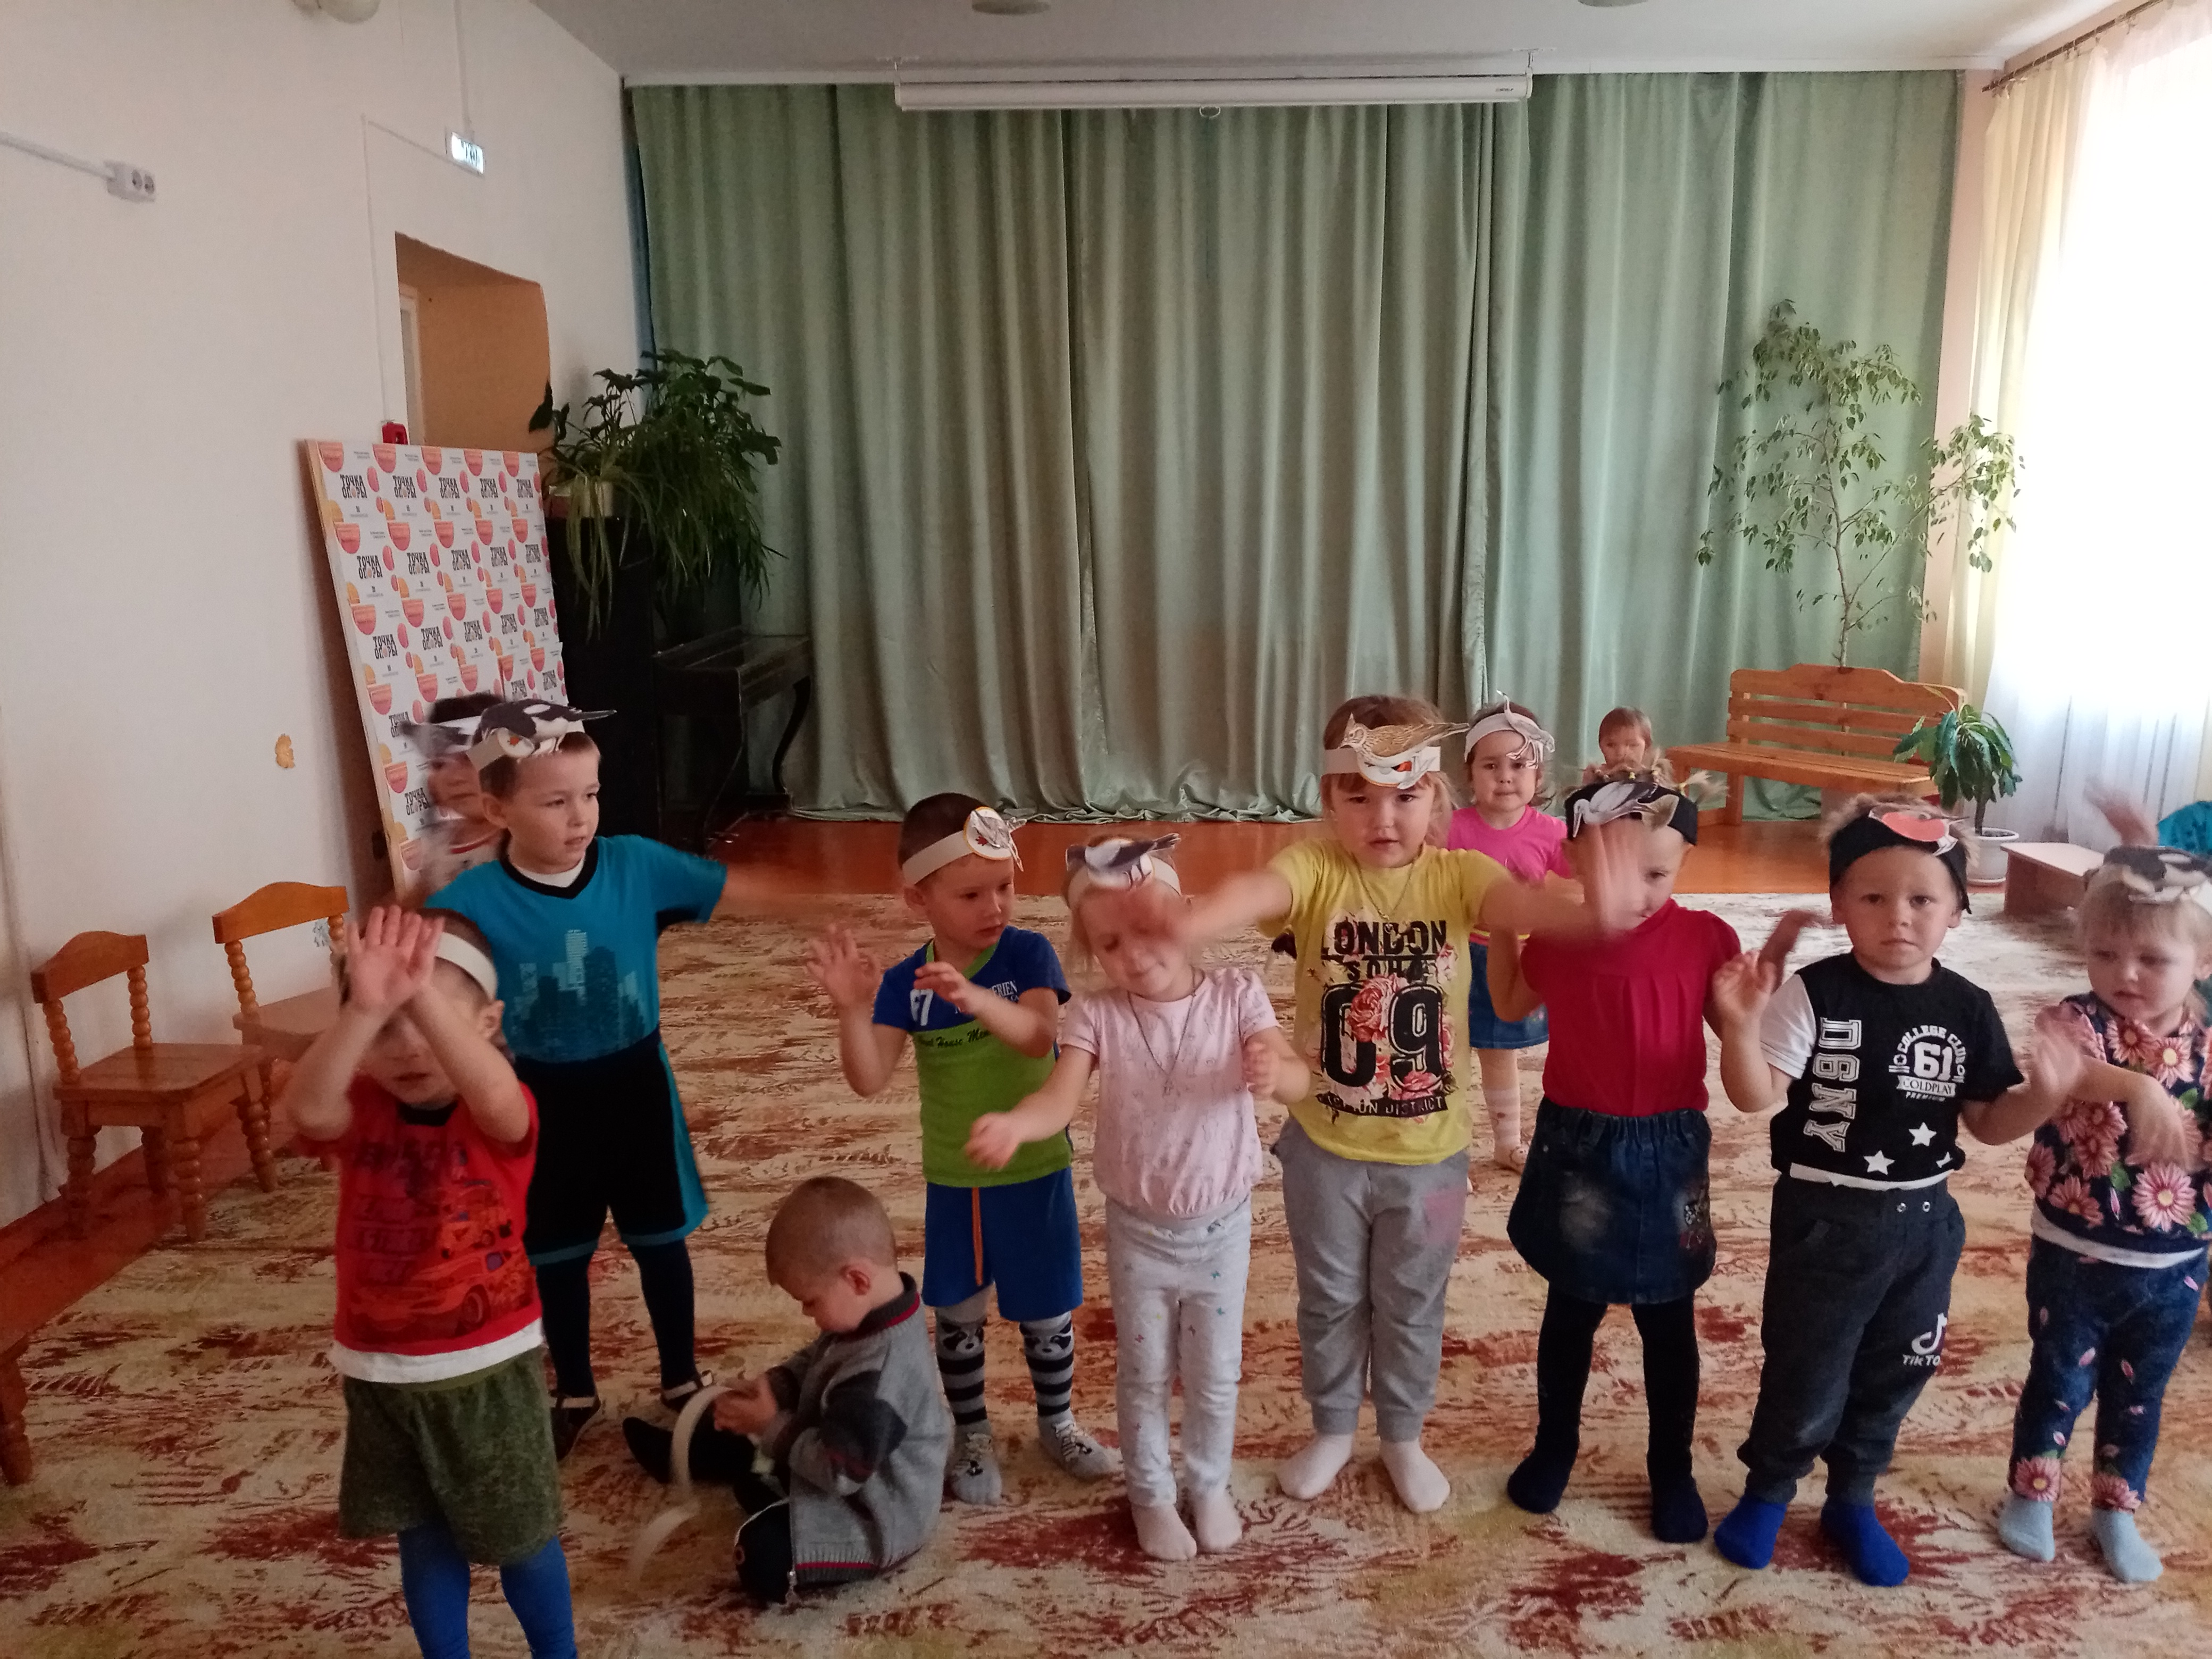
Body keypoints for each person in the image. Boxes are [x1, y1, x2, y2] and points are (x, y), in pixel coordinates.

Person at [1172, 695, 1633, 1513]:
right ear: (1328, 798)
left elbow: (1527, 908)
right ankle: (1333, 1427)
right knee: (1330, 1300)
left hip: (1430, 1160)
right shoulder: (1316, 870)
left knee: (1412, 1304)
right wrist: (1187, 923)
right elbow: (1255, 888)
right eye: (1358, 796)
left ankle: (1402, 1435)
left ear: (1436, 794)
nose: (1383, 818)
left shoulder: (1460, 874)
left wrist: (1598, 906)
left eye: (1405, 795)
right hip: (1325, 1150)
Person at [1708, 797, 2084, 1586]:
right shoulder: (1815, 992)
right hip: (1823, 1217)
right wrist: (1740, 1028)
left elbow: (1988, 1122)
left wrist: (2045, 1096)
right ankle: (1770, 1489)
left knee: (1898, 1367)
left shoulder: (1968, 1007)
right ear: (1839, 904)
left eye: (1922, 899)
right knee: (1806, 1368)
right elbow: (1754, 1096)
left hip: (1924, 1224)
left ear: (1957, 910)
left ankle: (1852, 1496)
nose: (1898, 917)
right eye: (1873, 897)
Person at [426, 698, 793, 1460]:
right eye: (555, 802)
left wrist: (816, 904)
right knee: (555, 1255)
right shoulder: (468, 903)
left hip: (635, 1092)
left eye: (590, 794)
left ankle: (680, 1377)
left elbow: (734, 888)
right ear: (497, 810)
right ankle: (574, 1389)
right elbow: (417, 970)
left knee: (661, 1242)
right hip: (537, 1104)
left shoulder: (635, 864)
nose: (581, 816)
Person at [966, 836, 1308, 1560]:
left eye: (1147, 929)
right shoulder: (1097, 1016)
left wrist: (1272, 1074)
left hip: (1222, 1233)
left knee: (1215, 1376)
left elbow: (1298, 1081)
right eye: (1110, 943)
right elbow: (1058, 1099)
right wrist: (1017, 1124)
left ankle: (1208, 1485)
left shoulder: (1237, 995)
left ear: (1184, 915)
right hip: (1139, 1238)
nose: (1134, 953)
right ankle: (1150, 1494)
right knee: (1145, 1375)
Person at [806, 793, 1117, 1505]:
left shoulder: (1028, 954)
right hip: (956, 1180)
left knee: (1047, 1313)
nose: (995, 906)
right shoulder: (907, 984)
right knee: (960, 1315)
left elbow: (1039, 1037)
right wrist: (852, 1009)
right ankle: (972, 1434)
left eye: (1004, 886)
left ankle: (1057, 1423)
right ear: (917, 898)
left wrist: (975, 999)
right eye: (971, 894)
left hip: (1035, 1169)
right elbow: (868, 1079)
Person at [284, 906, 576, 1659]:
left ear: (488, 1024)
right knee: (423, 1539)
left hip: (486, 1371)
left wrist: (413, 995)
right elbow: (307, 1107)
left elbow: (499, 1098)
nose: (409, 1045)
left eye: (430, 1020)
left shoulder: (495, 1112)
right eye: (387, 1029)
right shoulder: (363, 1110)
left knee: (522, 1540)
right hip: (381, 1374)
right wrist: (363, 1009)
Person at [1487, 776, 1742, 1543]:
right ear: (1572, 860)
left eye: (1656, 874)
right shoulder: (1560, 939)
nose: (1636, 893)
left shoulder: (1707, 939)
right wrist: (1503, 927)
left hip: (1669, 1154)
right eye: (1616, 873)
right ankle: (1555, 1445)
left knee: (1669, 1321)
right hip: (1578, 1152)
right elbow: (1508, 1006)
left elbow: (1739, 1045)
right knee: (1572, 1309)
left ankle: (1672, 1468)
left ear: (1685, 861)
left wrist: (1750, 1017)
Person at [1995, 848, 2212, 1583]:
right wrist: (2139, 1089)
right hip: (2074, 1246)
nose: (2125, 974)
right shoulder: (2076, 1020)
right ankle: (2031, 1492)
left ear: (2202, 962)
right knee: (2058, 1377)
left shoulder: (2207, 1045)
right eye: (2104, 954)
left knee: (2139, 1393)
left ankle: (2115, 1508)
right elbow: (2070, 1071)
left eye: (2152, 959)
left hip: (2174, 1263)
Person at [705, 1176, 953, 1605]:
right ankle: (704, 1454)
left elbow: (841, 1473)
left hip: (877, 1511)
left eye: (810, 1301)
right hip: (836, 1450)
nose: (807, 1313)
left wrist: (772, 1426)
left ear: (857, 1279)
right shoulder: (871, 1310)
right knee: (732, 1423)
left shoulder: (883, 1375)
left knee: (759, 1555)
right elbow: (818, 1359)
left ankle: (764, 1488)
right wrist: (777, 1387)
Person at [1446, 699, 1574, 1171]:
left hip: (1513, 963)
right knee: (1446, 1057)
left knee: (1500, 1056)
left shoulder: (1552, 833)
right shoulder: (1448, 830)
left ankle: (1507, 1143)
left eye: (1519, 765)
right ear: (1470, 774)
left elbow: (1582, 884)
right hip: (1455, 959)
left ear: (1538, 775)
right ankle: (1448, 1150)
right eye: (1491, 765)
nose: (1505, 776)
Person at [408, 692, 505, 898]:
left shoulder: (523, 841)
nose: (454, 778)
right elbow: (416, 901)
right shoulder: (440, 843)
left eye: (469, 759)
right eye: (439, 764)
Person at [1592, 707, 1656, 776]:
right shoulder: (1596, 776)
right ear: (1601, 746)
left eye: (1632, 745)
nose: (1620, 753)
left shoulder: (1652, 777)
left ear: (1647, 746)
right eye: (1611, 745)